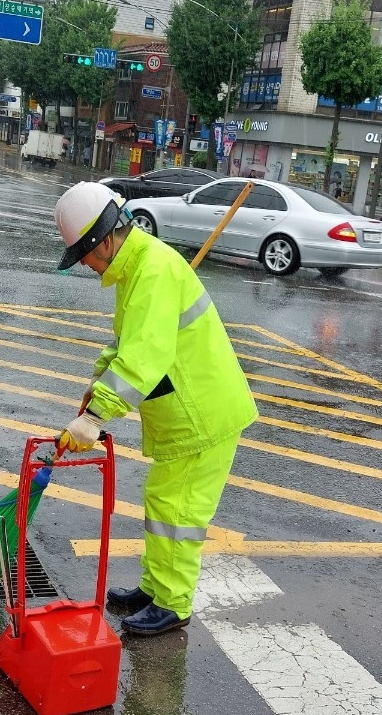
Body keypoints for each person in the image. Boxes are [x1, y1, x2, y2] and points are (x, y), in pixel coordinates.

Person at [54, 182, 257, 637]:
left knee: (179, 513)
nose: (84, 265)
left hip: (202, 415)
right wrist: (95, 391)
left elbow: (145, 356)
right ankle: (154, 587)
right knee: (164, 503)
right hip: (191, 412)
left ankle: (173, 603)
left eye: (83, 254)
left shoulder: (153, 270)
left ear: (103, 241)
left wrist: (96, 415)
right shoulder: (139, 269)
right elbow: (126, 345)